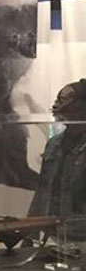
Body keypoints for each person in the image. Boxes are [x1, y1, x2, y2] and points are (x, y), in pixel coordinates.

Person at [28, 80, 86, 238]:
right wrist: (29, 235)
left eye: (64, 99)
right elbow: (42, 191)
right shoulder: (54, 144)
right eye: (58, 99)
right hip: (53, 233)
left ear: (81, 106)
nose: (56, 105)